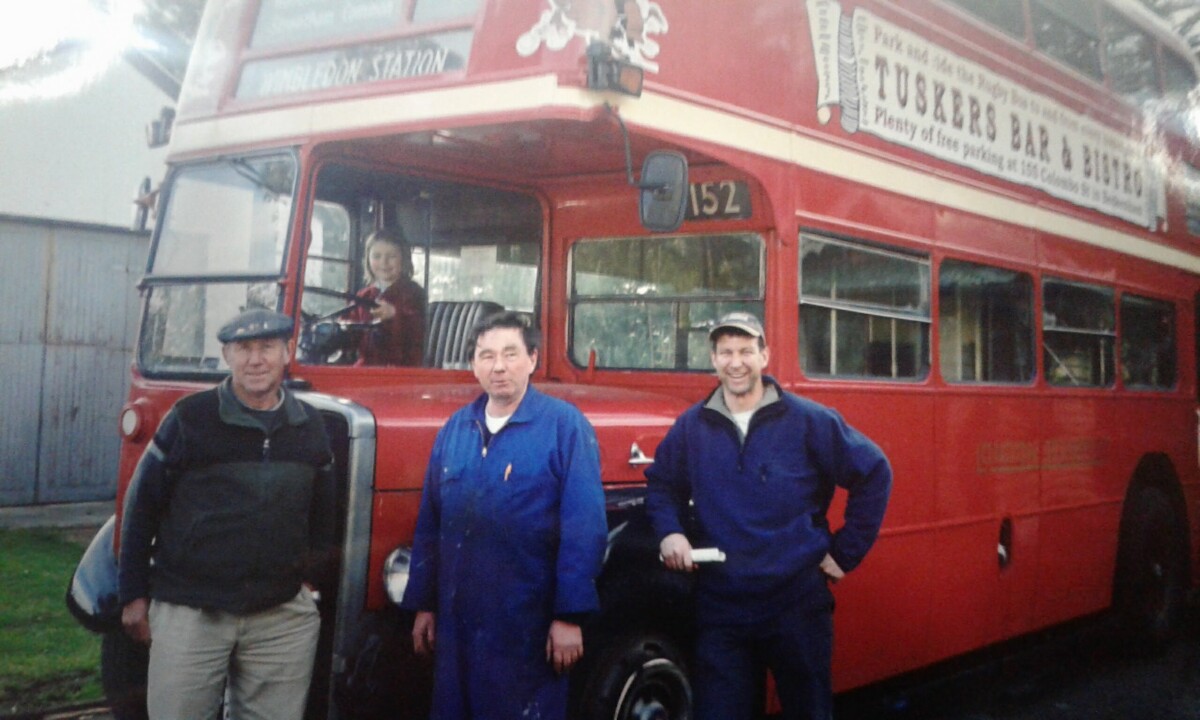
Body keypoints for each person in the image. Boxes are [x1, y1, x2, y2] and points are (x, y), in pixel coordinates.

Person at [646, 311, 892, 720]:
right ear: (714, 359)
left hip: (796, 604)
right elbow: (662, 485)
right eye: (726, 352)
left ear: (765, 355)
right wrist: (670, 532)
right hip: (722, 608)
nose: (736, 361)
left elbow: (875, 471)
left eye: (746, 350)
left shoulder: (808, 420)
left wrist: (846, 552)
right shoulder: (692, 426)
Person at [118, 308, 337, 720]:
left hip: (280, 617)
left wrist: (310, 580)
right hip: (191, 610)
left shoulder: (310, 425)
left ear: (287, 352)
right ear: (227, 355)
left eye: (267, 347)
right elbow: (140, 506)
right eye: (244, 348)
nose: (256, 360)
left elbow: (325, 513)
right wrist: (132, 594)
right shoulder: (190, 418)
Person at [400, 311, 607, 720]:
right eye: (486, 355)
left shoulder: (565, 427)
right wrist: (424, 603)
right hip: (459, 626)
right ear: (474, 364)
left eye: (510, 354)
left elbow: (585, 528)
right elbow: (430, 524)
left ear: (532, 359)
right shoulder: (455, 430)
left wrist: (570, 616)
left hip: (527, 626)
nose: (498, 366)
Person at [351, 228, 425, 366]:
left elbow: (419, 331)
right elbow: (351, 330)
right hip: (366, 367)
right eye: (377, 256)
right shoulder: (364, 296)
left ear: (404, 259)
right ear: (368, 259)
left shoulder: (414, 293)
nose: (384, 262)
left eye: (391, 256)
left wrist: (395, 313)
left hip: (403, 368)